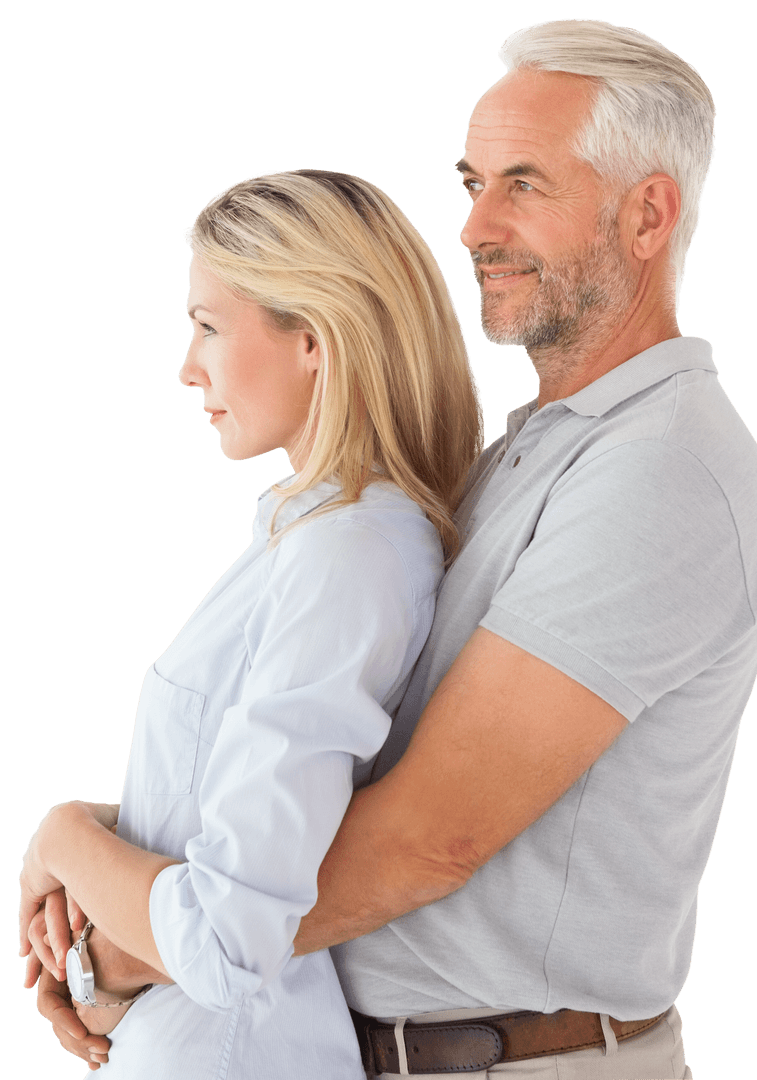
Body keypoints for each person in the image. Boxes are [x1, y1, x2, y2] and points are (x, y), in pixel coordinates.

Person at [30, 18, 757, 1080]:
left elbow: (435, 835)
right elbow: (316, 786)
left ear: (648, 214)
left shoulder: (660, 471)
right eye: (472, 181)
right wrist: (92, 839)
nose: (474, 224)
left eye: (523, 183)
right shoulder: (520, 457)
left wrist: (125, 938)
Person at [19, 168, 484, 1078]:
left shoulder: (353, 556)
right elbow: (238, 807)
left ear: (312, 338)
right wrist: (88, 830)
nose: (187, 366)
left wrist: (62, 845)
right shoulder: (311, 534)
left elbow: (231, 934)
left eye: (207, 326)